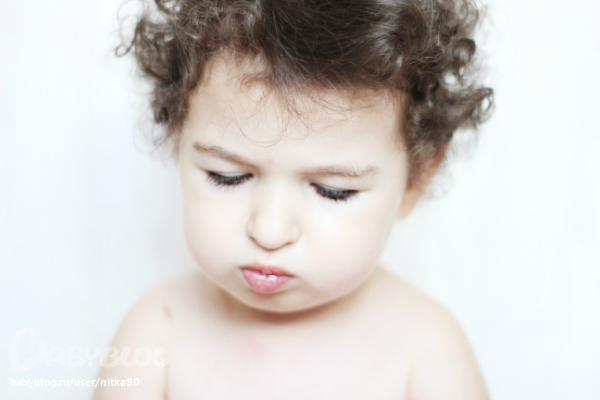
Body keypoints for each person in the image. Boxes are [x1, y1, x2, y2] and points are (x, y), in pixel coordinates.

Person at [94, 0, 493, 398]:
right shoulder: (152, 338)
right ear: (178, 143)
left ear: (415, 181)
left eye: (333, 190)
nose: (269, 232)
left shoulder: (428, 351)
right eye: (226, 176)